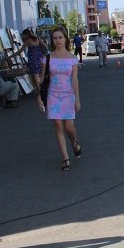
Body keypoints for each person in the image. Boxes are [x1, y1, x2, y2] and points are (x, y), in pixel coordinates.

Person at [37, 26, 81, 172]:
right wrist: (39, 97)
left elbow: (74, 79)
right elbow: (43, 79)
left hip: (68, 94)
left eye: (60, 37)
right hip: (53, 94)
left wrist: (77, 99)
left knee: (69, 127)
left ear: (66, 38)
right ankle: (65, 158)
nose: (58, 40)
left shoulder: (72, 58)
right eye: (55, 38)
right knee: (58, 125)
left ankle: (74, 143)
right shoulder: (48, 58)